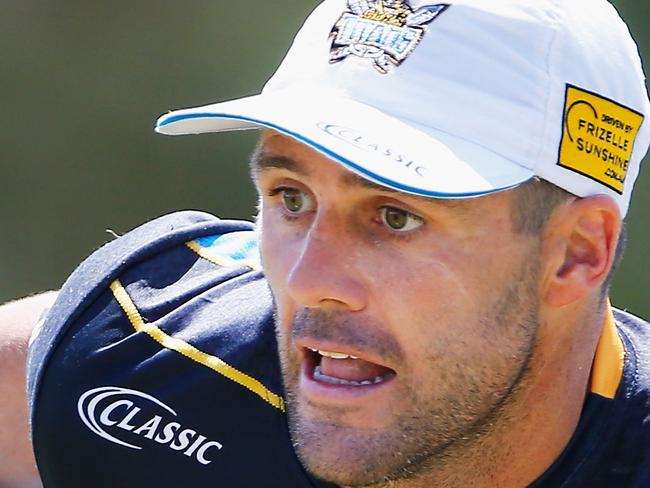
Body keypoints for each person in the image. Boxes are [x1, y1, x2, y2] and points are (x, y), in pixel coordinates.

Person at [2, 0, 650, 486]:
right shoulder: (134, 354)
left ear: (575, 253)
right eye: (291, 198)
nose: (310, 277)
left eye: (394, 216)